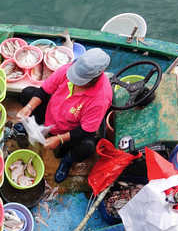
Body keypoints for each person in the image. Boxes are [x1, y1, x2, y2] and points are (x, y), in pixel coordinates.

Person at [17, 48, 113, 183]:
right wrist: (29, 107)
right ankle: (35, 124)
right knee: (28, 93)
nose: (73, 81)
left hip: (71, 131)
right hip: (51, 114)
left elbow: (85, 130)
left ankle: (67, 161)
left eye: (80, 80)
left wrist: (59, 139)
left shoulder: (101, 98)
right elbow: (44, 90)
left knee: (87, 147)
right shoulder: (69, 70)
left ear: (95, 78)